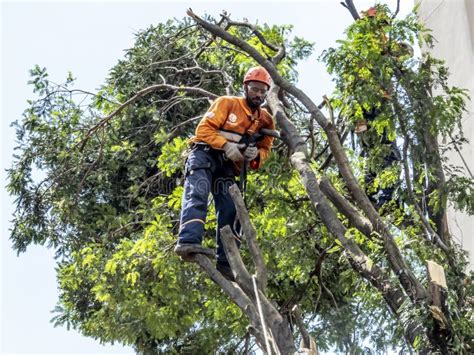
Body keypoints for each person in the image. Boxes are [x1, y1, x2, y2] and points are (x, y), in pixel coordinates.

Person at [174, 66, 275, 281]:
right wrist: (225, 145)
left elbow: (266, 148)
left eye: (262, 91)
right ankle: (188, 241)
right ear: (246, 87)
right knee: (197, 194)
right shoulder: (227, 103)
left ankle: (226, 262)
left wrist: (254, 153)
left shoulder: (264, 120)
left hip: (227, 167)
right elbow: (203, 130)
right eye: (255, 89)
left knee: (231, 208)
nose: (258, 94)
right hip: (204, 155)